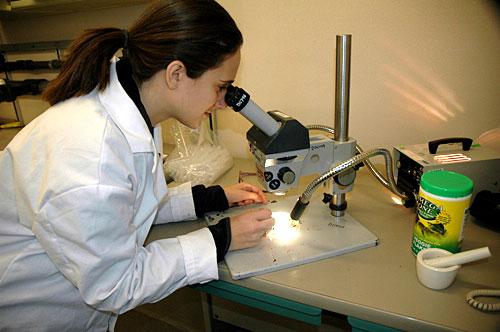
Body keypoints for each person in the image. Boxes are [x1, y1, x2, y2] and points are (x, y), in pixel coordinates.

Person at [0, 0, 275, 331]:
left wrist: (210, 199)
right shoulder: (91, 156)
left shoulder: (132, 111)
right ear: (176, 74)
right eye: (221, 87)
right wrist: (222, 238)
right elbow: (115, 284)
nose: (223, 104)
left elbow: (126, 204)